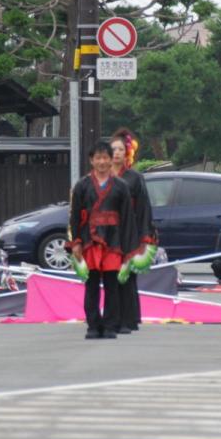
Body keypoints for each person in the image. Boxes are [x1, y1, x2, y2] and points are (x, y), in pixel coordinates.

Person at [68, 140, 138, 339]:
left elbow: (128, 219)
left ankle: (109, 326)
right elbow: (75, 216)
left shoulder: (121, 186)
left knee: (112, 286)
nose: (102, 162)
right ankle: (92, 325)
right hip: (89, 241)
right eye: (98, 158)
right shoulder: (82, 186)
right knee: (91, 286)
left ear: (110, 160)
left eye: (105, 157)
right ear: (92, 160)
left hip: (114, 243)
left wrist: (128, 248)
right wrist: (76, 242)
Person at [112, 129, 157, 332]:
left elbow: (144, 208)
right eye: (113, 149)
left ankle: (128, 320)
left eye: (121, 149)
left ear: (127, 153)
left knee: (127, 276)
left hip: (129, 233)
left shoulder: (134, 177)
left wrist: (145, 235)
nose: (116, 153)